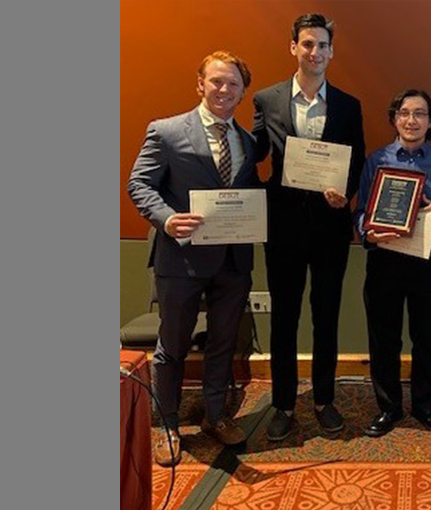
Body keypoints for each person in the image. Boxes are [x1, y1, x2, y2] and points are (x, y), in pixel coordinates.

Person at [127, 51, 258, 466]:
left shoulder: (247, 141)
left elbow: (247, 196)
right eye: (217, 81)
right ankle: (166, 425)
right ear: (200, 84)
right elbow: (139, 184)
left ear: (242, 92)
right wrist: (166, 220)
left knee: (223, 343)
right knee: (173, 346)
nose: (224, 90)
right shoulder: (165, 132)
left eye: (233, 84)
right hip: (181, 261)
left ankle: (216, 417)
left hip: (233, 261)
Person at [252, 13, 366, 441]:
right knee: (284, 317)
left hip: (329, 228)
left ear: (331, 52)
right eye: (307, 44)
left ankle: (323, 399)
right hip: (283, 226)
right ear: (293, 48)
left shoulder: (348, 105)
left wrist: (347, 193)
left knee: (326, 315)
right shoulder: (267, 99)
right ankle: (282, 403)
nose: (314, 52)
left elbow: (355, 160)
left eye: (322, 45)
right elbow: (256, 152)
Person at [354, 89, 431, 437]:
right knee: (384, 338)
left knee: (425, 337)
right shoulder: (376, 160)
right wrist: (367, 235)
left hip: (428, 259)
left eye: (420, 114)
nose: (411, 120)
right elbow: (362, 212)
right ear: (394, 118)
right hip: (385, 260)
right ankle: (389, 407)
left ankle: (425, 406)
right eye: (404, 113)